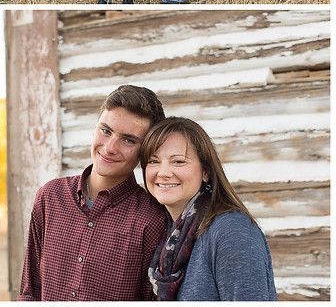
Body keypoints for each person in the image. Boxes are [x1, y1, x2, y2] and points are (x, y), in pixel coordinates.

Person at [18, 85, 167, 301]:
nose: (109, 147)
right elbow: (29, 290)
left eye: (128, 140)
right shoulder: (50, 197)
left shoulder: (151, 218)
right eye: (105, 131)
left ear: (145, 151)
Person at [140, 117, 277, 301]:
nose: (163, 172)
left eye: (178, 162)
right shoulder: (168, 237)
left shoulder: (231, 230)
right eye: (154, 161)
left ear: (205, 172)